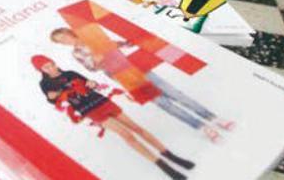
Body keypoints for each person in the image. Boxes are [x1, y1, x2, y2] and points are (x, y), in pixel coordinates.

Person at [50, 27, 234, 142]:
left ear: (69, 32)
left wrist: (129, 40)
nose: (65, 41)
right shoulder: (76, 53)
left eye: (64, 36)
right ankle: (201, 127)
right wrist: (97, 59)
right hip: (120, 76)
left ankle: (212, 118)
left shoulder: (92, 36)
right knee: (162, 102)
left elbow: (119, 44)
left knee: (173, 93)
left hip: (133, 66)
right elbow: (92, 69)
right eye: (61, 41)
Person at [33, 55, 194, 180]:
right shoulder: (45, 84)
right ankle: (164, 166)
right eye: (46, 67)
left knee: (137, 128)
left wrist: (91, 83)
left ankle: (170, 155)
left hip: (101, 101)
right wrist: (55, 95)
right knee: (127, 135)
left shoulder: (70, 73)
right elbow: (52, 99)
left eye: (51, 63)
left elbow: (92, 83)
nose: (51, 67)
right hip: (89, 110)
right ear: (42, 70)